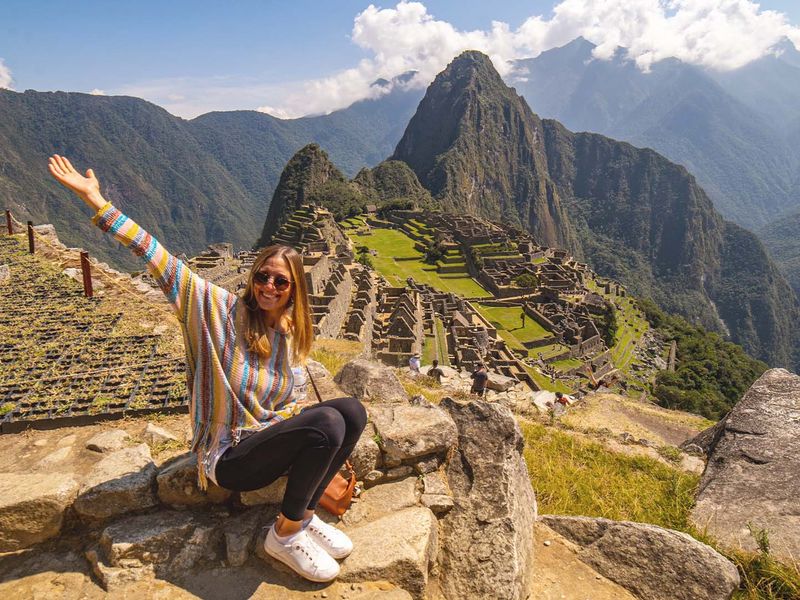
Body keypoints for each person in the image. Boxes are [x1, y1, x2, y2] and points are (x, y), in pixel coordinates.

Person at [48, 155, 366, 583]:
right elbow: (159, 258)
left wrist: (296, 414)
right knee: (328, 420)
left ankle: (304, 517)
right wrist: (98, 203)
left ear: (294, 291)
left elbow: (287, 402)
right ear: (253, 278)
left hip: (267, 439)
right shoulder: (217, 310)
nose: (268, 287)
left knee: (351, 412)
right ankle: (284, 536)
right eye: (263, 277)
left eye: (280, 282)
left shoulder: (289, 335)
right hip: (230, 456)